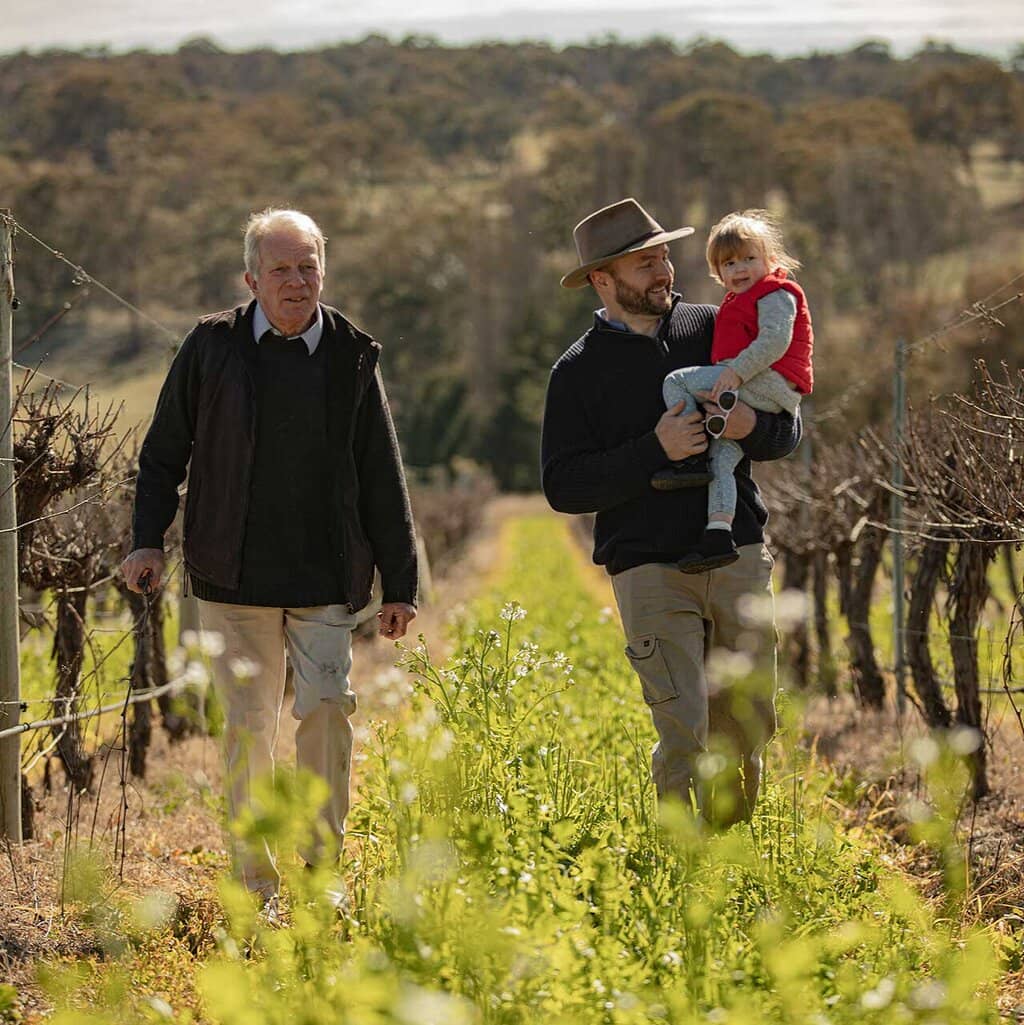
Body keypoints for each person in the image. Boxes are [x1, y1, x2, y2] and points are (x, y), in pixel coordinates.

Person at [120, 208, 418, 908]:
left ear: (324, 271)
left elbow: (382, 472)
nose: (296, 281)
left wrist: (401, 582)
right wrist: (146, 538)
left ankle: (321, 872)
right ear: (251, 279)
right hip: (232, 576)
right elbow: (163, 453)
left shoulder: (351, 353)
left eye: (308, 266)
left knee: (327, 711)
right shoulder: (211, 346)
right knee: (249, 728)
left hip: (326, 575)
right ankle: (256, 882)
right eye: (281, 268)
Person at [541, 198, 802, 827]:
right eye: (645, 263)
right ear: (603, 280)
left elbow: (787, 427)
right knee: (683, 726)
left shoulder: (716, 325)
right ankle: (684, 860)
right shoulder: (576, 372)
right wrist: (652, 449)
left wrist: (749, 425)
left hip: (738, 552)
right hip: (648, 566)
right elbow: (564, 487)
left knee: (748, 720)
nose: (664, 271)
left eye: (663, 256)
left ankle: (732, 854)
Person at [652, 210, 814, 574]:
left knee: (676, 382)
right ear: (718, 272)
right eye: (729, 263)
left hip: (766, 383)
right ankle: (719, 535)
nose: (739, 269)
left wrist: (735, 373)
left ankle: (689, 455)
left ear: (770, 259)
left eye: (749, 258)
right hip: (757, 388)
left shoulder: (775, 292)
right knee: (723, 460)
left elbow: (776, 339)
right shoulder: (738, 301)